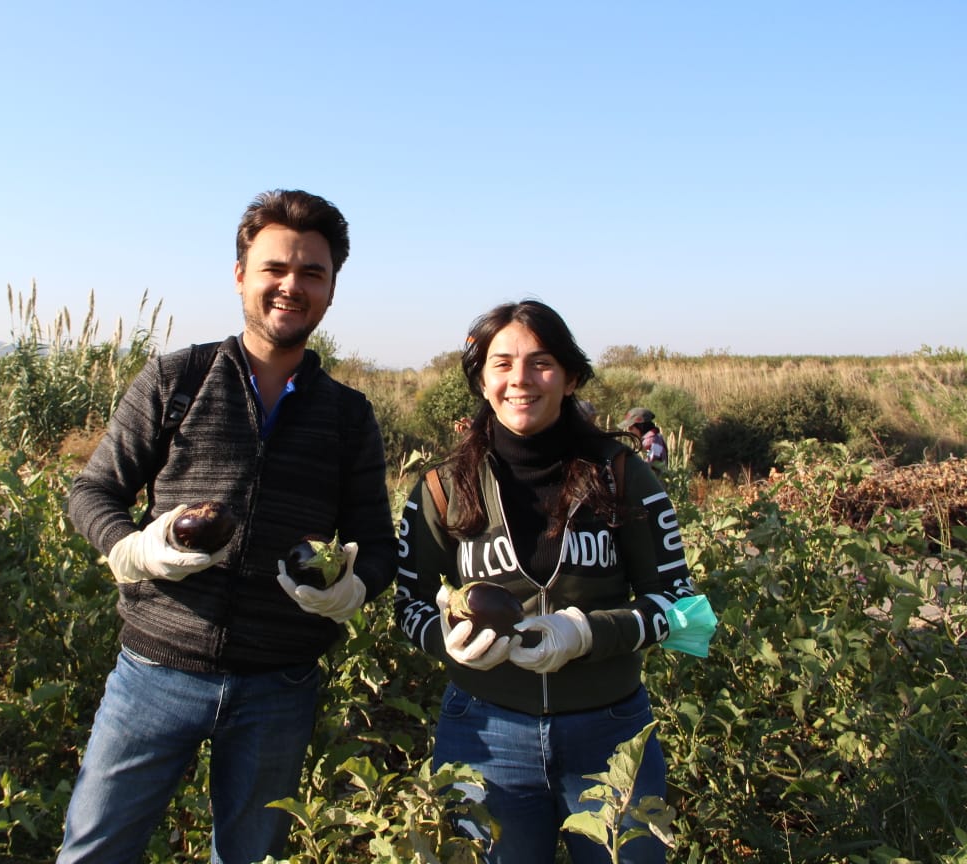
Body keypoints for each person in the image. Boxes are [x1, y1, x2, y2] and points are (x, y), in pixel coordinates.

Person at [59, 189, 397, 864]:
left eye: (312, 273)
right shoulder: (175, 379)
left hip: (281, 684)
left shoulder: (347, 416)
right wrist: (133, 547)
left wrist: (352, 589)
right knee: (95, 850)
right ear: (241, 274)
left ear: (331, 290)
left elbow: (378, 544)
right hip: (153, 672)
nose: (291, 285)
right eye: (275, 267)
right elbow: (93, 490)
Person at [394, 300, 695, 864]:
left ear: (572, 376)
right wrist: (445, 640)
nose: (520, 380)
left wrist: (587, 633)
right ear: (480, 378)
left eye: (542, 363)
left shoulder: (623, 474)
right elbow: (407, 604)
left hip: (611, 733)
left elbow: (680, 604)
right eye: (502, 363)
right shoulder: (440, 488)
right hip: (484, 731)